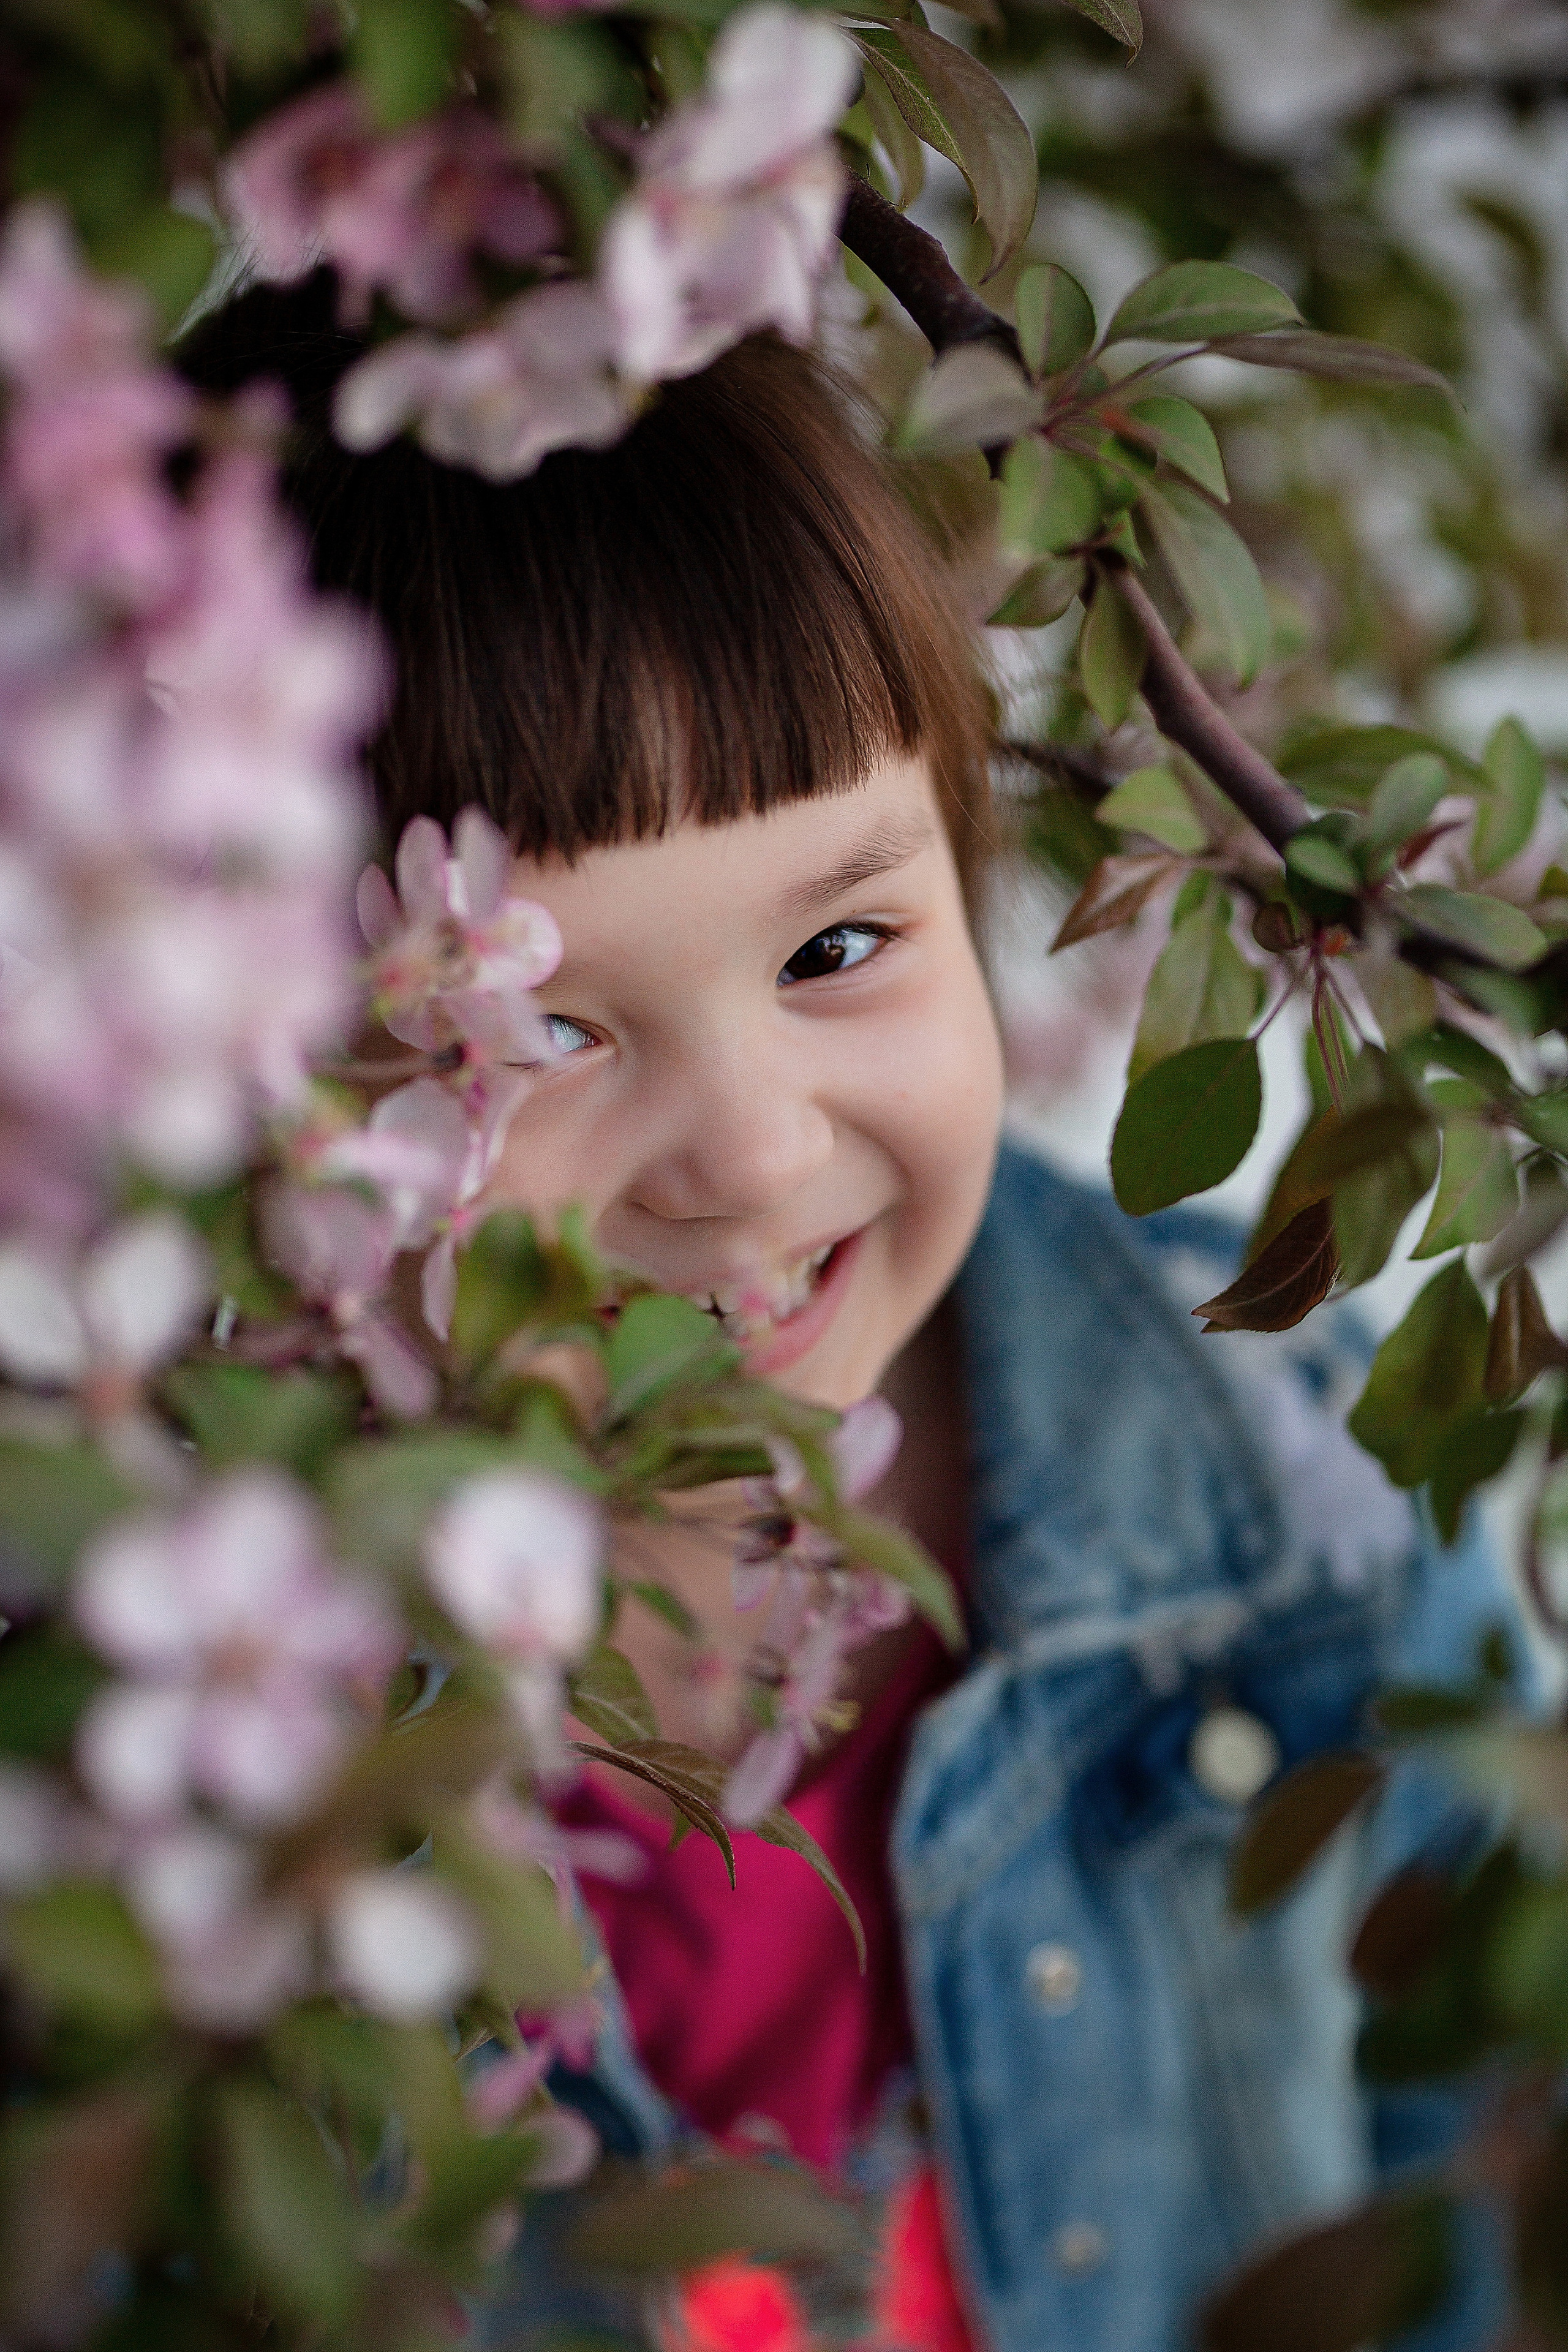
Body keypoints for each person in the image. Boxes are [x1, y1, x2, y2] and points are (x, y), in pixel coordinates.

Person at [179, 276, 1516, 2352]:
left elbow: (1469, 2162)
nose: (745, 1149)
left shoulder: (1278, 1495)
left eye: (841, 945)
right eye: (528, 1030)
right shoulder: (167, 1721)